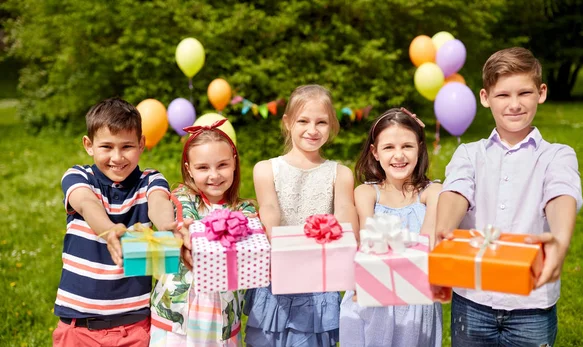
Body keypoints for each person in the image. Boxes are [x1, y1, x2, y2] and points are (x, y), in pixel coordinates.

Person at [436, 47, 583, 347]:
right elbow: (457, 190)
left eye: (524, 93)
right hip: (472, 301)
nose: (514, 105)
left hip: (532, 306)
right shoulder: (469, 153)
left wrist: (561, 238)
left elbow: (561, 194)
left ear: (541, 93)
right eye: (503, 95)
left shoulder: (557, 155)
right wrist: (445, 227)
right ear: (485, 97)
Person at [53, 97, 181, 347]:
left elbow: (158, 205)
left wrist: (168, 228)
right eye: (107, 147)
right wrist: (109, 231)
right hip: (78, 328)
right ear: (89, 145)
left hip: (134, 328)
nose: (117, 157)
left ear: (142, 144)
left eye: (127, 146)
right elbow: (87, 204)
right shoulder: (79, 176)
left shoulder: (150, 180)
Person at [243, 84, 358, 347]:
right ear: (287, 123)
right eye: (303, 121)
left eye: (321, 122)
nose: (312, 129)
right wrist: (283, 251)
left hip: (319, 282)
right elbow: (270, 209)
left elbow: (346, 221)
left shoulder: (340, 174)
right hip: (275, 277)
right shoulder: (266, 169)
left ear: (332, 126)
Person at [339, 107, 442, 346]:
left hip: (414, 302)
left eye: (407, 146)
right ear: (375, 152)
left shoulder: (432, 192)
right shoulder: (366, 193)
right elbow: (368, 240)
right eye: (389, 147)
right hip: (371, 297)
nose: (399, 155)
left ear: (419, 148)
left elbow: (427, 245)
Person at [150, 119, 256, 346]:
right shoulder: (183, 198)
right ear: (189, 169)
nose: (214, 175)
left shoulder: (245, 211)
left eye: (222, 165)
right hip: (176, 321)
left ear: (235, 164)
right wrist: (185, 237)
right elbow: (182, 222)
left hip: (222, 324)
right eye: (203, 167)